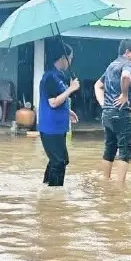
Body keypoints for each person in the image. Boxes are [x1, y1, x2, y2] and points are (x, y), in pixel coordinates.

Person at [95, 39, 131, 183]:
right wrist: (124, 94)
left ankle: (105, 180)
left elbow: (97, 85)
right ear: (128, 52)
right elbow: (126, 76)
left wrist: (104, 104)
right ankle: (120, 187)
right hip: (121, 113)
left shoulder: (111, 65)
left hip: (107, 113)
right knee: (125, 148)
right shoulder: (128, 63)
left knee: (110, 147)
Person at [38, 39, 79, 187]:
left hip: (58, 127)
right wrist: (71, 89)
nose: (70, 62)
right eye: (70, 59)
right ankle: (54, 197)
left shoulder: (58, 76)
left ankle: (46, 188)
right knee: (59, 161)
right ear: (63, 58)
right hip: (50, 128)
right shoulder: (50, 77)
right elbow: (53, 102)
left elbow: (59, 100)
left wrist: (68, 111)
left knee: (57, 160)